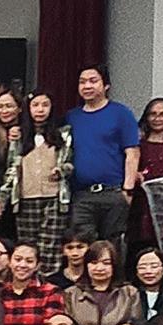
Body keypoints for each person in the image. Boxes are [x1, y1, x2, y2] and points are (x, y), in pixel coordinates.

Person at [62, 67, 140, 246]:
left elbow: (132, 153)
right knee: (81, 245)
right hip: (81, 195)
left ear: (106, 85)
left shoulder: (121, 114)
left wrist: (127, 191)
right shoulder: (72, 117)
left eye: (93, 81)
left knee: (113, 247)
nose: (87, 86)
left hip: (113, 192)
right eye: (82, 82)